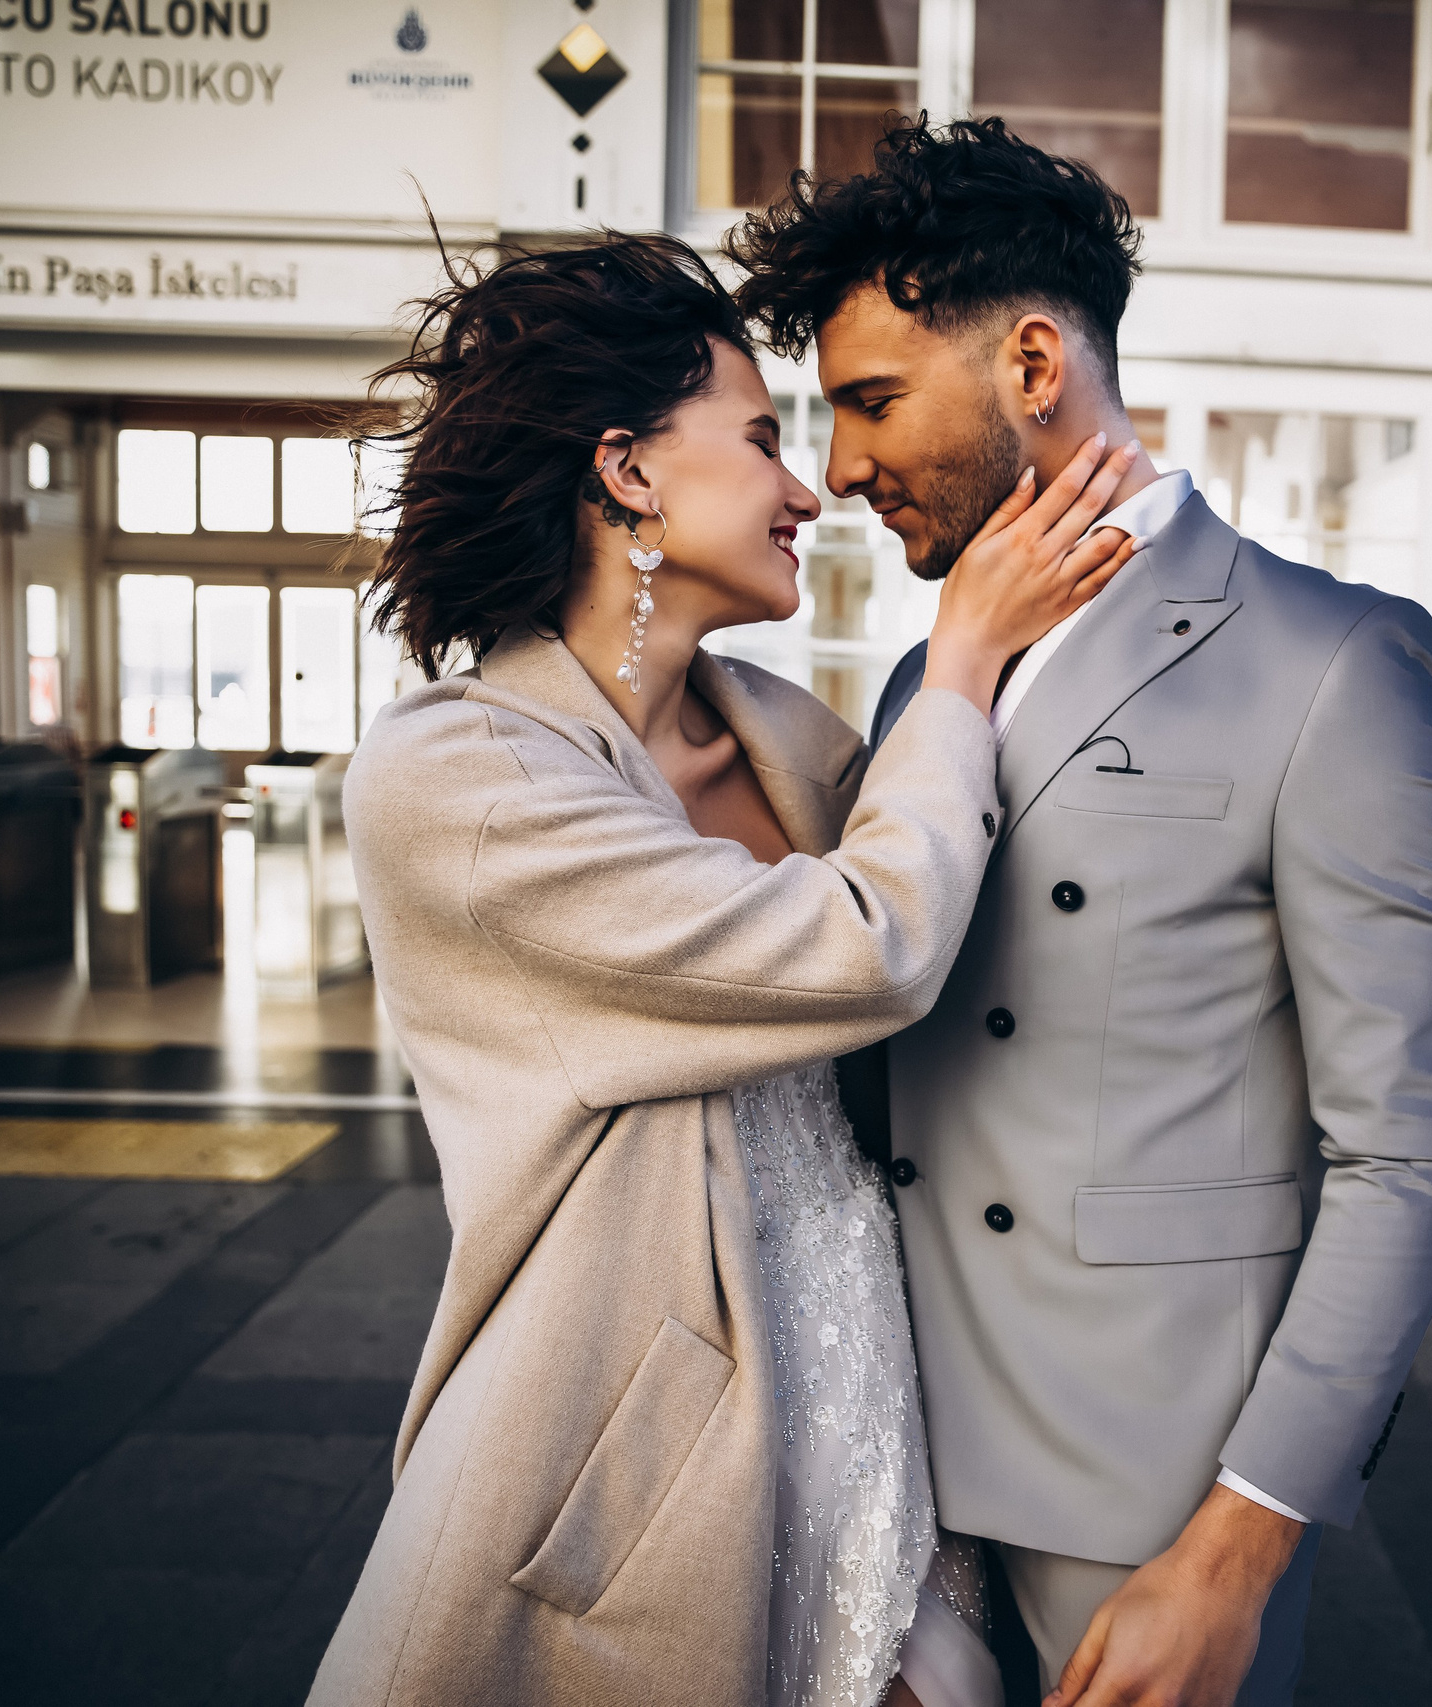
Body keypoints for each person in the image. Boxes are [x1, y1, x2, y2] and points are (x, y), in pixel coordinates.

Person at [307, 232, 1142, 1707]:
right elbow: (870, 945)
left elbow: (965, 938)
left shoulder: (789, 736)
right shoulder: (458, 777)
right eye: (763, 439)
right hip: (632, 1477)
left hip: (886, 1422)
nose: (811, 489)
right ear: (629, 471)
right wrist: (958, 665)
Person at [729, 118, 1432, 1707]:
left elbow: (1406, 1151)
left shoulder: (1336, 661)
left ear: (1029, 362)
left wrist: (1239, 1545)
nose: (845, 466)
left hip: (1145, 1497)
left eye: (874, 402)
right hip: (896, 1458)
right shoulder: (925, 680)